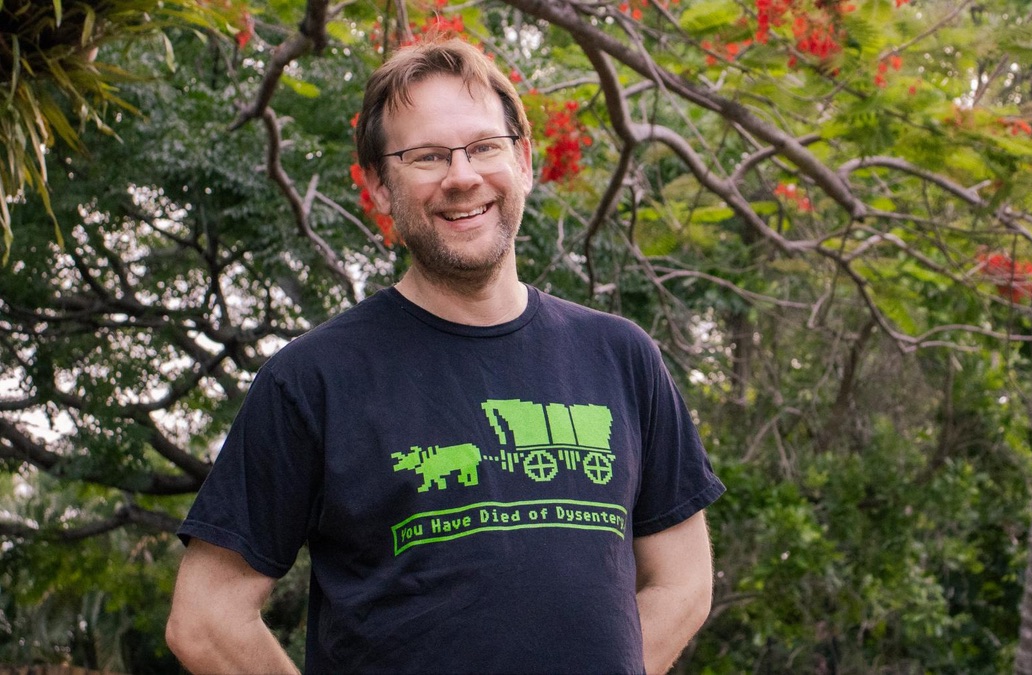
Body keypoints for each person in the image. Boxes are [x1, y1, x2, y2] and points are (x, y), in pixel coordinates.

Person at [165, 36, 724, 675]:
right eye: (426, 156)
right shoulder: (313, 379)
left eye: (485, 147)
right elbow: (206, 619)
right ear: (377, 185)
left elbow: (683, 582)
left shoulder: (623, 358)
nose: (462, 177)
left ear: (525, 161)